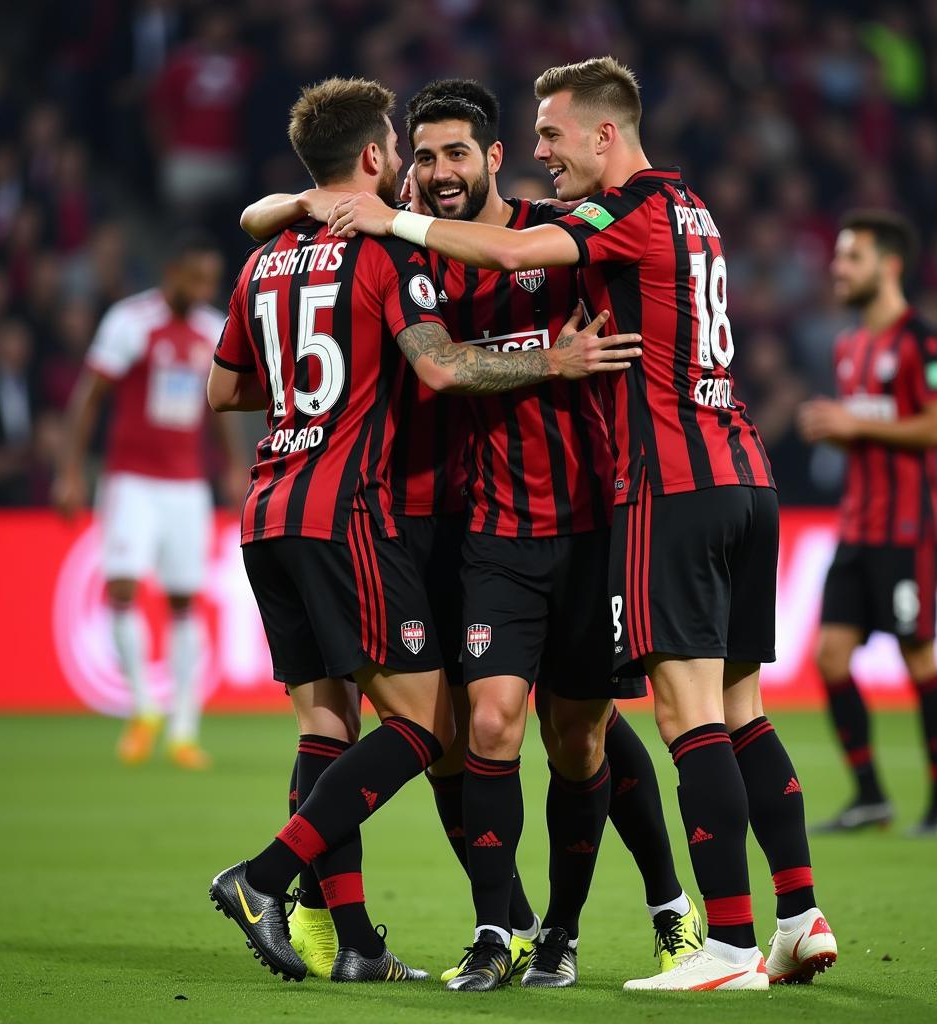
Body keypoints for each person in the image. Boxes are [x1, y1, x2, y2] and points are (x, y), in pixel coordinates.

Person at [332, 56, 837, 992]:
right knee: (732, 712)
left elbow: (525, 255)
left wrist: (390, 214)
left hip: (655, 492)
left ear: (602, 134)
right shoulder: (690, 208)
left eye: (551, 135)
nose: (541, 151)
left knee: (670, 725)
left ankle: (717, 940)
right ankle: (795, 913)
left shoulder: (600, 219)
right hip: (716, 474)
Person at [240, 78, 697, 993]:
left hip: (573, 517)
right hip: (437, 523)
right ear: (397, 161)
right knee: (461, 734)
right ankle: (504, 926)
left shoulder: (550, 237)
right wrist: (302, 200)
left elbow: (607, 332)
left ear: (495, 158)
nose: (438, 175)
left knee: (584, 733)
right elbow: (272, 225)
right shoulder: (394, 239)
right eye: (423, 156)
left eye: (458, 155)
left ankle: (664, 905)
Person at [52, 231, 248, 769]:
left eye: (212, 279)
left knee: (184, 599)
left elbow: (221, 406)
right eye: (198, 277)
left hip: (187, 485)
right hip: (132, 480)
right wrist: (70, 470)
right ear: (174, 272)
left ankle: (183, 730)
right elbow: (88, 399)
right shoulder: (130, 322)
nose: (206, 288)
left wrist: (232, 466)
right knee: (121, 586)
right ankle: (144, 708)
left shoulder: (213, 330)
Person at [798, 209, 937, 838]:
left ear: (888, 266)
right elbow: (869, 429)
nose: (838, 269)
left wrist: (855, 425)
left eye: (852, 258)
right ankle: (870, 795)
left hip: (908, 529)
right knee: (830, 657)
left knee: (918, 657)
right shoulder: (849, 346)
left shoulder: (924, 341)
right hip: (856, 528)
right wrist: (836, 431)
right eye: (839, 258)